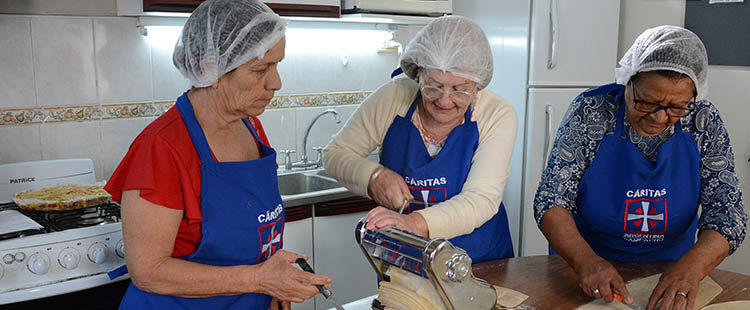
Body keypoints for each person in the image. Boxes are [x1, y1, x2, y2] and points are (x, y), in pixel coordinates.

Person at [104, 1, 331, 309]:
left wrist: (276, 283)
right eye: (260, 69)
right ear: (211, 69)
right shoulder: (160, 147)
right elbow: (148, 271)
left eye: (277, 66)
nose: (276, 83)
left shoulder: (251, 127)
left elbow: (255, 232)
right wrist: (260, 279)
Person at [534, 25, 747, 310]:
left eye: (677, 107)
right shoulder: (591, 112)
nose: (659, 117)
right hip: (586, 269)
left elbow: (727, 214)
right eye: (647, 102)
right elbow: (551, 200)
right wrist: (586, 261)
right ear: (627, 82)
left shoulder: (703, 122)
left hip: (672, 270)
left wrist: (691, 269)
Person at [323, 16, 517, 263]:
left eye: (460, 89)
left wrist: (412, 223)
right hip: (407, 262)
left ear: (478, 82)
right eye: (433, 85)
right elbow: (335, 154)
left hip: (479, 261)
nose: (445, 100)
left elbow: (481, 199)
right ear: (418, 74)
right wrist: (373, 177)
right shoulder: (394, 97)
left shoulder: (496, 114)